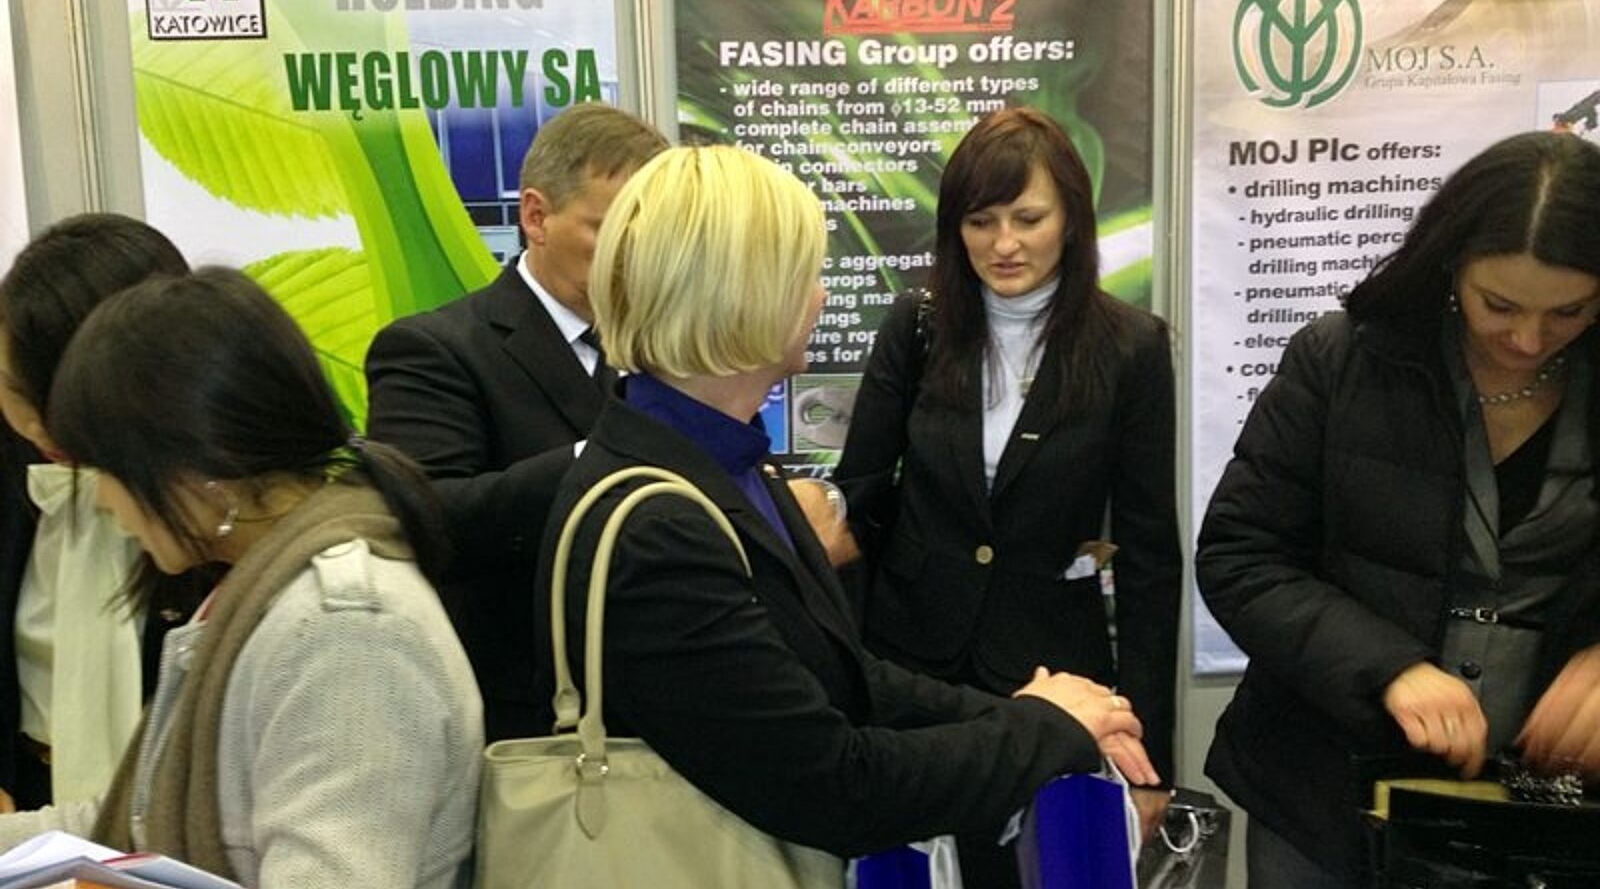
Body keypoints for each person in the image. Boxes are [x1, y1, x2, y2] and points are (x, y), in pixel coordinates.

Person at [533, 145, 1159, 875]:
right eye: (806, 274)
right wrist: (1039, 728)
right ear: (745, 295)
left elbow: (846, 676)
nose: (821, 296)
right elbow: (835, 783)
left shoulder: (731, 468)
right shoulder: (660, 528)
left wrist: (1026, 713)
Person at [1198, 130, 1600, 888]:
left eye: (1570, 311)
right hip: (1325, 795)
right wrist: (1387, 667)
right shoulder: (1343, 359)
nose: (1527, 339)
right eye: (1499, 305)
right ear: (1451, 263)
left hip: (1551, 810)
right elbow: (1240, 557)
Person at [0, 268, 482, 889]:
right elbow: (134, 819)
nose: (104, 501)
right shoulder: (261, 593)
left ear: (198, 475)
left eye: (108, 472)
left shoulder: (348, 632)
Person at [832, 107, 1181, 873]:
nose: (1004, 244)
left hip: (1054, 679)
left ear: (1072, 220)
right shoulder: (917, 327)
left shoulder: (1131, 347)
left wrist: (1150, 754)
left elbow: (1150, 559)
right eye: (980, 221)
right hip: (913, 674)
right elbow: (860, 504)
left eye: (1028, 218)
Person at [365, 102, 668, 741]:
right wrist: (605, 455)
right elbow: (431, 518)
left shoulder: (667, 348)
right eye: (608, 230)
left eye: (649, 236)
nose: (631, 257)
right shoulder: (435, 349)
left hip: (661, 706)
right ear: (535, 216)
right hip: (525, 726)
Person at [0, 214, 209, 811]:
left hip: (170, 810)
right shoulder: (12, 460)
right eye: (15, 390)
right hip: (25, 791)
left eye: (61, 397)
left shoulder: (210, 492)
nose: (38, 424)